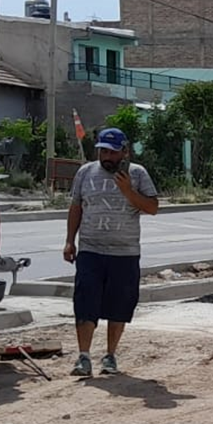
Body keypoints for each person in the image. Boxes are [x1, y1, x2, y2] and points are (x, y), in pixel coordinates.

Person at [63, 127, 160, 376]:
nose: (106, 156)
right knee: (85, 303)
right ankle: (83, 357)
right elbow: (76, 207)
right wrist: (69, 241)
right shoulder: (85, 172)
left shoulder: (137, 174)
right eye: (102, 151)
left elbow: (152, 208)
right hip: (90, 251)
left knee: (119, 306)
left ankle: (110, 356)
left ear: (124, 152)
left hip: (125, 253)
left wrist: (129, 192)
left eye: (112, 152)